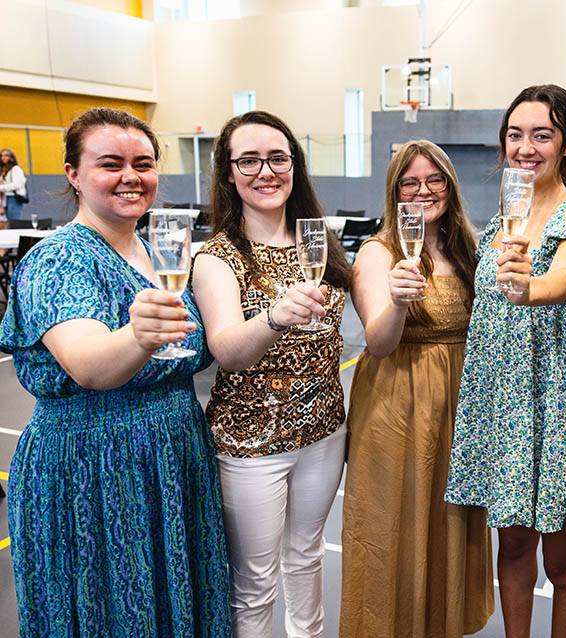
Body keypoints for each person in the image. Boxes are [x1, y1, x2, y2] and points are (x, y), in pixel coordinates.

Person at [0, 107, 231, 637]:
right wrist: (137, 335)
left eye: (143, 163)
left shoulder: (155, 250)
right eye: (111, 164)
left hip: (172, 455)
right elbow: (90, 367)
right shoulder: (58, 261)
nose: (131, 176)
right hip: (96, 467)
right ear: (74, 175)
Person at [445, 84, 566, 637]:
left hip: (554, 392)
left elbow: (561, 282)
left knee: (564, 558)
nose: (526, 147)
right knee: (513, 543)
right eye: (515, 134)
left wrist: (529, 286)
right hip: (502, 398)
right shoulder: (498, 224)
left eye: (542, 134)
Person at [191, 110, 351, 637]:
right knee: (255, 582)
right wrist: (276, 316)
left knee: (307, 559)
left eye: (278, 158)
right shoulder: (217, 256)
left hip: (325, 433)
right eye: (250, 160)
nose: (266, 171)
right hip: (250, 444)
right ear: (229, 173)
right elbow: (229, 351)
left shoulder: (320, 242)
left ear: (294, 165)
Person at [340, 139, 494, 637]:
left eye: (435, 180)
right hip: (396, 405)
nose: (424, 190)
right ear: (395, 192)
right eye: (411, 182)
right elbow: (379, 344)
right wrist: (399, 303)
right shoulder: (377, 252)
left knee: (447, 528)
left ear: (449, 185)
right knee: (391, 528)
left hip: (456, 404)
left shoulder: (466, 248)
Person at [0, 148, 28, 221]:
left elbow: (16, 185)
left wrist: (1, 187)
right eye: (2, 155)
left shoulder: (16, 169)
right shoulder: (4, 170)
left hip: (14, 198)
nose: (3, 157)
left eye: (6, 155)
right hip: (6, 198)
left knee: (14, 222)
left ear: (11, 157)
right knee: (9, 222)